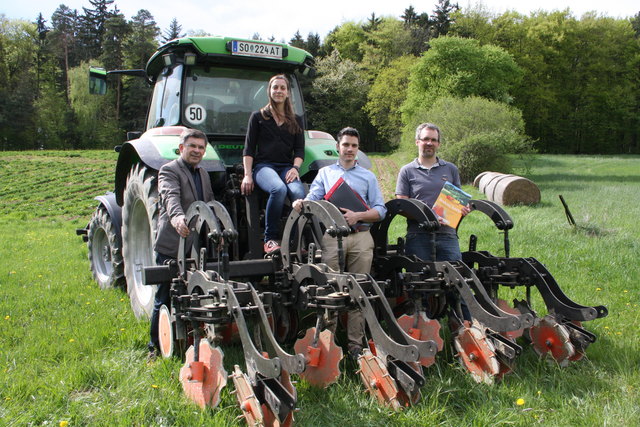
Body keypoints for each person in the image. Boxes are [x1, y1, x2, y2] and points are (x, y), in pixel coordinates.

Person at [293, 127, 387, 359]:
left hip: (361, 238)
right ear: (338, 147)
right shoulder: (325, 174)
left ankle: (355, 345)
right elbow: (313, 198)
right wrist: (301, 202)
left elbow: (381, 210)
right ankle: (330, 344)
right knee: (331, 290)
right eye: (346, 145)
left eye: (354, 146)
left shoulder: (368, 176)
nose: (350, 150)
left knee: (358, 290)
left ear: (358, 149)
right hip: (333, 238)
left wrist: (358, 216)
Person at [149, 128, 215, 359]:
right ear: (181, 148)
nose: (197, 151)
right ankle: (154, 347)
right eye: (192, 146)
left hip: (196, 247)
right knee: (164, 295)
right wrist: (177, 217)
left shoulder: (203, 174)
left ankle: (189, 341)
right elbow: (170, 196)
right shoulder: (169, 170)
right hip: (172, 244)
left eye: (200, 147)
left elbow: (208, 204)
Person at [241, 74, 306, 254]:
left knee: (299, 193)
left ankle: (294, 239)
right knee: (279, 189)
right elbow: (248, 149)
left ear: (287, 93)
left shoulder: (296, 120)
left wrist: (295, 168)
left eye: (282, 88)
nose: (279, 91)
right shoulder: (258, 117)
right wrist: (247, 175)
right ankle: (270, 239)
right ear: (269, 91)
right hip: (264, 167)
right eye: (275, 87)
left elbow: (299, 150)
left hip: (286, 167)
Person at [396, 122, 470, 262]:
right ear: (417, 142)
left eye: (433, 140)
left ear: (438, 144)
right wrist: (428, 217)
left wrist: (462, 208)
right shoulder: (407, 171)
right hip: (418, 235)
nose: (429, 143)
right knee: (419, 279)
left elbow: (458, 198)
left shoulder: (451, 169)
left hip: (447, 234)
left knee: (453, 277)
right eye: (425, 139)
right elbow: (401, 205)